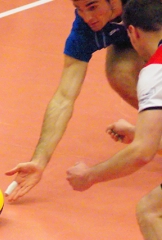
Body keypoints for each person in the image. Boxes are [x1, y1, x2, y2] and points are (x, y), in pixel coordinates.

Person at [4, 0, 145, 201]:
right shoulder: (84, 30)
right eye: (79, 10)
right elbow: (63, 98)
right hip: (131, 39)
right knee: (120, 73)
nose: (87, 17)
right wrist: (39, 161)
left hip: (154, 29)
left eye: (93, 7)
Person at [67, 0, 162, 238]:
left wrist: (90, 175)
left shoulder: (155, 72)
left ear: (132, 32)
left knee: (150, 212)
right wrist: (137, 132)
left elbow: (142, 153)